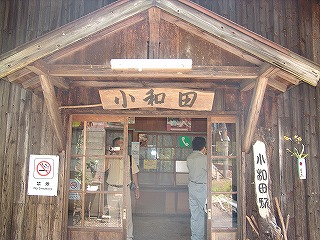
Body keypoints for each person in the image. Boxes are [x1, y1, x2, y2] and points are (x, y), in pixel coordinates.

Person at [105, 137, 140, 240]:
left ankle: (128, 236)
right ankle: (114, 236)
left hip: (125, 189)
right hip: (112, 189)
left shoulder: (129, 158)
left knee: (127, 214)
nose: (121, 147)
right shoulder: (110, 157)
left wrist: (137, 187)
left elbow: (134, 173)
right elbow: (104, 168)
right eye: (119, 145)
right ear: (114, 146)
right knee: (113, 214)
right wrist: (108, 153)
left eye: (123, 144)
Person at [187, 137, 207, 240]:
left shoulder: (189, 157)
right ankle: (203, 236)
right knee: (205, 213)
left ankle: (195, 237)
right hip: (201, 187)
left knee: (195, 214)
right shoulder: (204, 158)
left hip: (192, 187)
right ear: (203, 147)